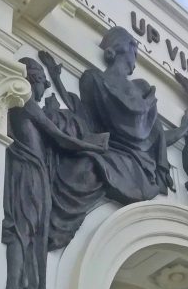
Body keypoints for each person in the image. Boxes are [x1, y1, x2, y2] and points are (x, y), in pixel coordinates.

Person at [40, 27, 180, 253]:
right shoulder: (93, 80)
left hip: (138, 166)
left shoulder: (144, 90)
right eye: (134, 49)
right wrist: (56, 77)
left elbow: (158, 136)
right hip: (110, 150)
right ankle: (45, 229)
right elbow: (84, 117)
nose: (136, 56)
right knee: (81, 167)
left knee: (89, 167)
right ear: (123, 47)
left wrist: (184, 130)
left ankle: (47, 233)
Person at [2, 58, 108, 289]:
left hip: (33, 172)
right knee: (23, 229)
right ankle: (15, 288)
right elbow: (59, 137)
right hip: (28, 172)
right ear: (34, 81)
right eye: (43, 84)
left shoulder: (26, 106)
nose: (44, 89)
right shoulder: (25, 103)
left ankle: (26, 288)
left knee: (30, 229)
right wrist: (93, 146)